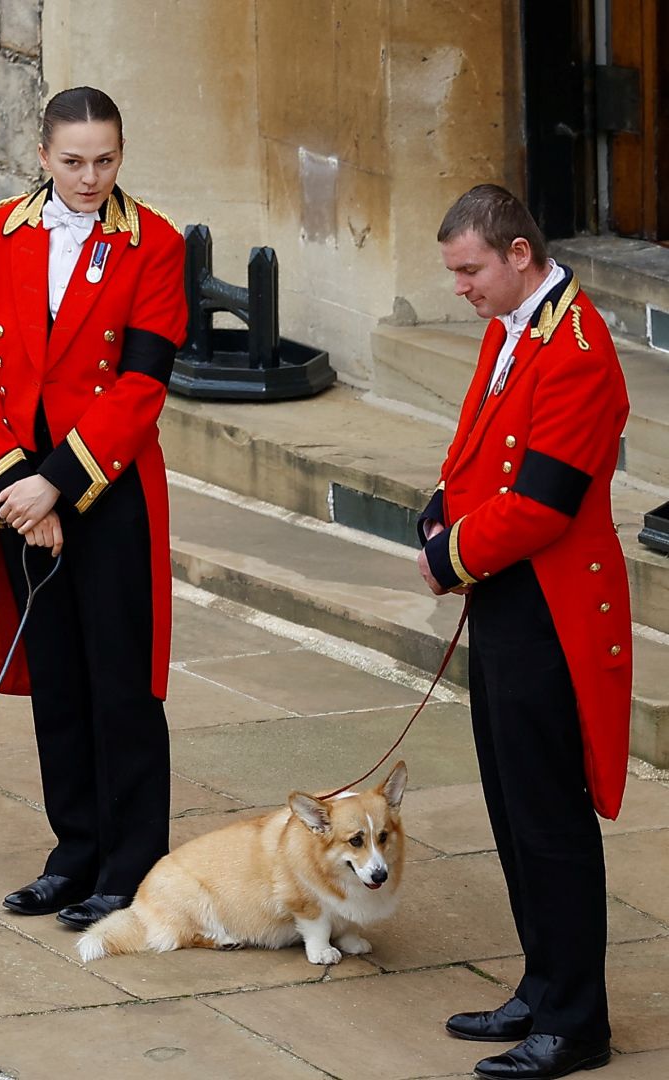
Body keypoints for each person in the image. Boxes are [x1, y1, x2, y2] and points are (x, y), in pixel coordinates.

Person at [0, 87, 187, 930]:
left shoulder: (154, 244)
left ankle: (134, 864)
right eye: (75, 161)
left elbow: (143, 383)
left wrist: (60, 482)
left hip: (109, 489)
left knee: (121, 683)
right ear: (42, 156)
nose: (92, 178)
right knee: (55, 677)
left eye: (107, 159)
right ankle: (75, 850)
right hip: (20, 493)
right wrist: (19, 490)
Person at [416, 185, 631, 1079]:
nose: (461, 288)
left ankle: (577, 1021)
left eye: (470, 270)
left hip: (550, 606)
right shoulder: (514, 328)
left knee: (549, 818)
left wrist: (447, 554)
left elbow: (543, 504)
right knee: (510, 803)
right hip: (505, 594)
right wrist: (437, 514)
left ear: (516, 253)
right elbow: (476, 455)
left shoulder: (578, 350)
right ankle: (542, 987)